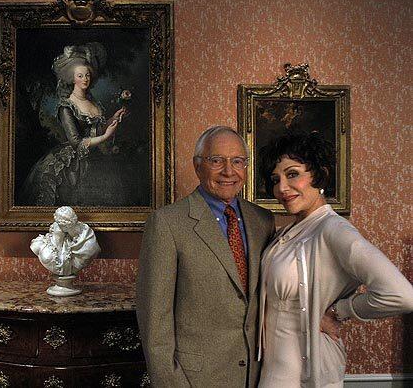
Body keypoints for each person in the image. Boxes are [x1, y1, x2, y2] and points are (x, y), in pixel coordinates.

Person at [256, 132, 413, 387]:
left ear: (319, 175)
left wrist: (340, 312)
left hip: (305, 375)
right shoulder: (288, 232)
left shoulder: (333, 230)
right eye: (276, 179)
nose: (282, 188)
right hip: (272, 370)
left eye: (293, 174)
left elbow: (402, 295)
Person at [136, 126, 276, 387]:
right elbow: (154, 324)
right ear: (198, 166)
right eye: (216, 161)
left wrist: (320, 314)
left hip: (258, 377)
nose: (228, 171)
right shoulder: (167, 224)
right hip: (195, 379)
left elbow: (274, 294)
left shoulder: (263, 221)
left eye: (237, 161)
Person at [21, 42, 127, 205]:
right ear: (72, 78)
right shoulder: (66, 106)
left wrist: (113, 119)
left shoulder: (94, 103)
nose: (85, 79)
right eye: (80, 76)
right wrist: (106, 136)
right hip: (73, 165)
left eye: (87, 75)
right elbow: (77, 143)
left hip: (96, 159)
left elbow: (96, 130)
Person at [30, 206, 100, 276]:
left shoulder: (89, 240)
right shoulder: (41, 244)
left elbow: (93, 251)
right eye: (57, 223)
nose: (54, 225)